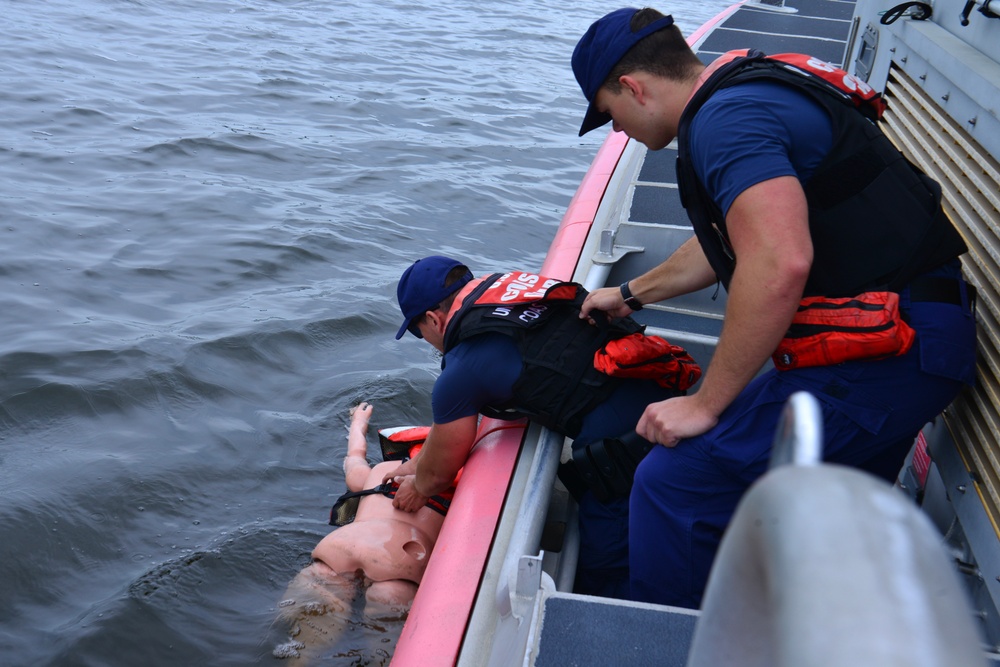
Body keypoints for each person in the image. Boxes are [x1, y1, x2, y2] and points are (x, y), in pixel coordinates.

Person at [570, 6, 976, 609]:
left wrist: (705, 405)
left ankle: (661, 647)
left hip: (887, 358)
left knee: (671, 483)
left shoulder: (726, 122)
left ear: (633, 86)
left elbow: (779, 262)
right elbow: (733, 241)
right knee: (827, 511)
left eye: (609, 115)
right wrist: (629, 293)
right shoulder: (747, 93)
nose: (617, 134)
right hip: (915, 341)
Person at [387, 255, 695, 598]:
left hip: (629, 451)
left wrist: (417, 487)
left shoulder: (462, 368)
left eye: (419, 333)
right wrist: (416, 463)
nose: (428, 341)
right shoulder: (516, 289)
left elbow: (438, 476)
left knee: (604, 568)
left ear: (432, 319)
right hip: (671, 399)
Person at [273, 402, 446, 662]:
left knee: (310, 624)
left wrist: (358, 421)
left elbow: (354, 455)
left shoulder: (378, 473)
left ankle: (297, 660)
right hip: (401, 563)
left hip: (341, 547)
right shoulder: (453, 486)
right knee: (388, 614)